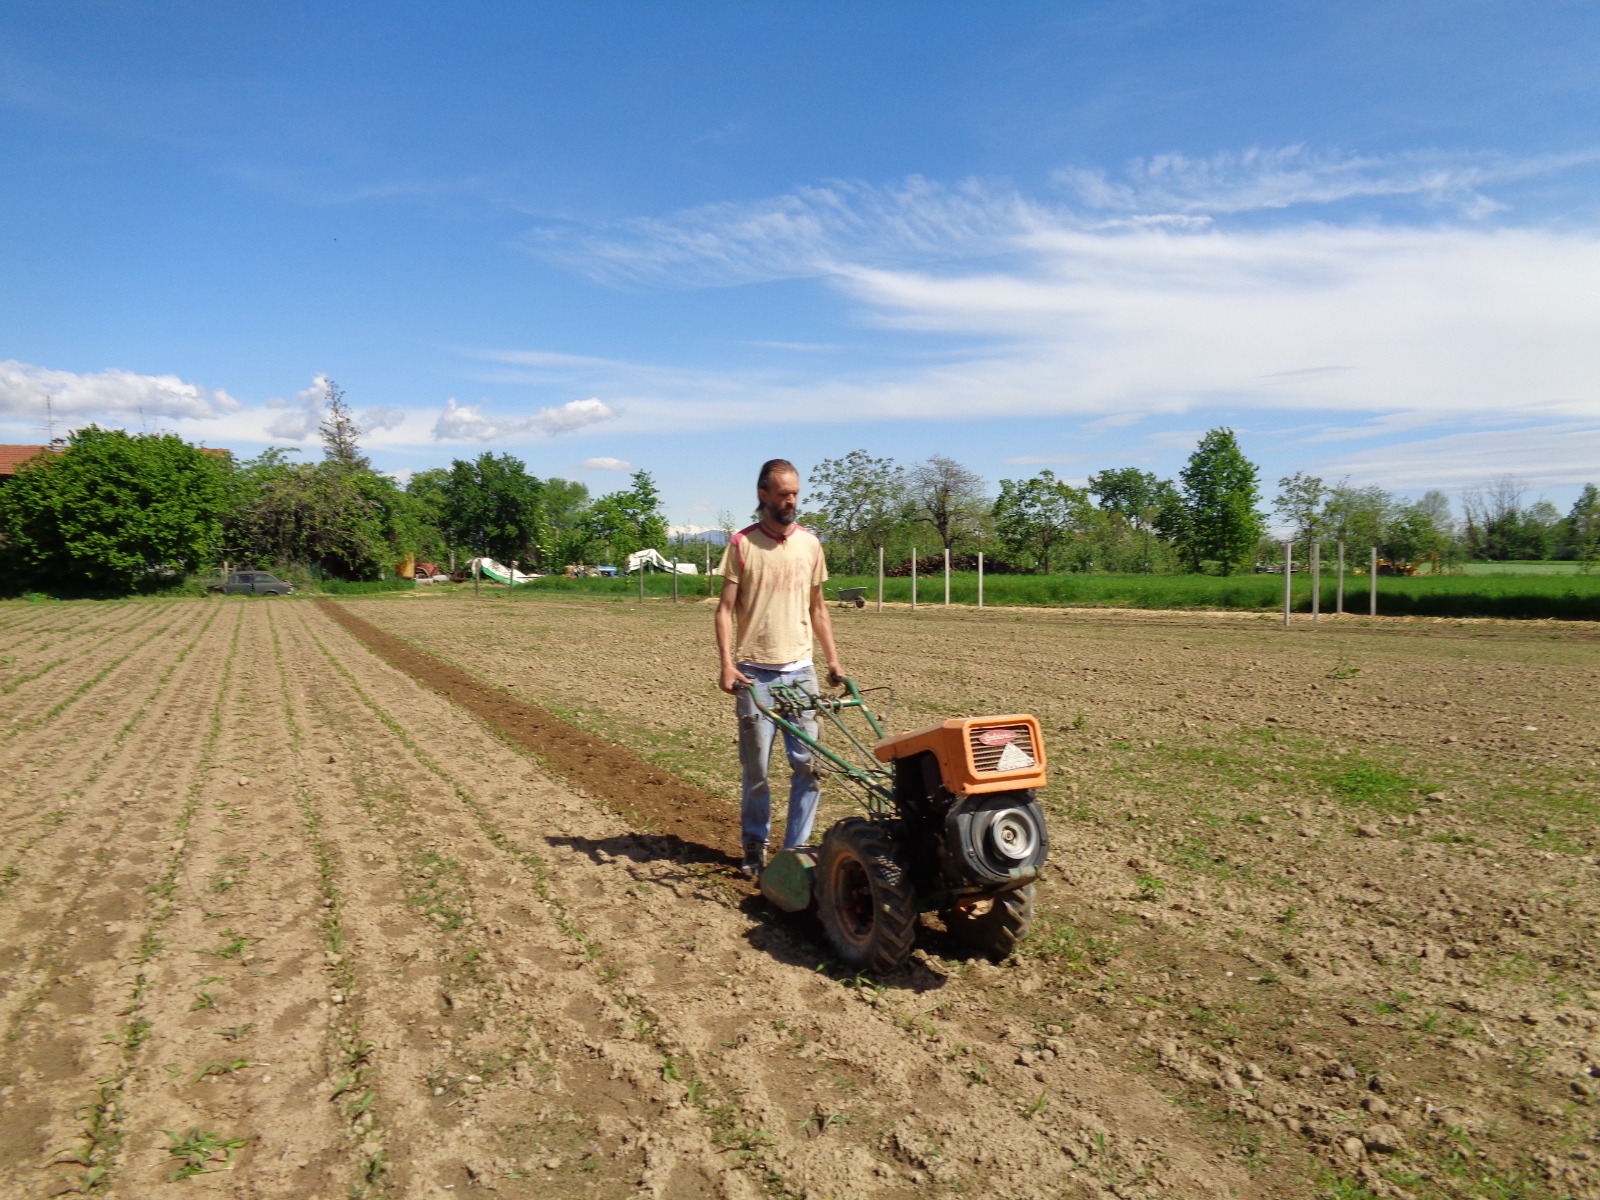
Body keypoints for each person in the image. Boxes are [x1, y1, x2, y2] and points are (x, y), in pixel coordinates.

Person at [715, 459, 845, 877]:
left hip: (801, 672)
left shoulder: (810, 544)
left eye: (795, 494)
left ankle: (796, 852)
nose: (791, 501)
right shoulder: (742, 544)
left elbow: (819, 608)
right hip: (756, 674)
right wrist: (726, 664)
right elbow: (724, 610)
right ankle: (755, 846)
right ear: (764, 495)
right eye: (784, 494)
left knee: (809, 765)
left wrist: (834, 662)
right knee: (756, 770)